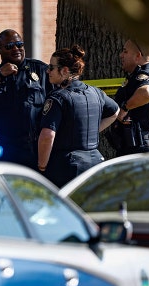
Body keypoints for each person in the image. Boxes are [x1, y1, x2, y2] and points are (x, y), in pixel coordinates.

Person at [0, 29, 52, 169]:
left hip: (34, 147)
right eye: (9, 46)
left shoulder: (41, 70)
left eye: (19, 44)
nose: (16, 49)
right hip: (3, 147)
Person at [37, 46, 119, 187]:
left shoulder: (57, 98)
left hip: (66, 168)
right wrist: (91, 131)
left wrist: (42, 167)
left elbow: (47, 135)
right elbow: (115, 112)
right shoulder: (96, 92)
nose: (48, 71)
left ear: (65, 71)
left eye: (51, 67)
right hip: (95, 164)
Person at [107, 39, 149, 156]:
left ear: (138, 56)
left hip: (138, 147)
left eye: (125, 52)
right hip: (143, 145)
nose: (121, 55)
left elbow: (148, 93)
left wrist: (124, 108)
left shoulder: (143, 76)